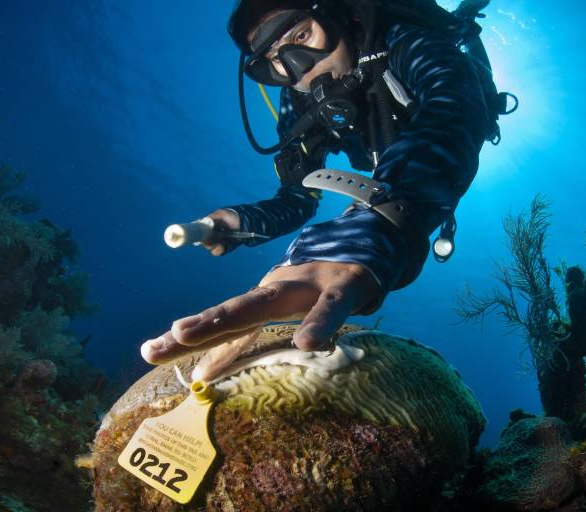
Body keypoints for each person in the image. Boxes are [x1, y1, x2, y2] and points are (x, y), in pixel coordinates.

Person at [140, 0, 492, 380]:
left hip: (436, 123)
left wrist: (383, 221)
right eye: (276, 60)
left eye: (302, 36)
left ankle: (465, 15)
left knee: (460, 35)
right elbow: (298, 198)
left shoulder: (402, 40)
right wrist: (242, 220)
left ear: (336, 16)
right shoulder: (298, 100)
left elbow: (454, 107)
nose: (298, 66)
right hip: (391, 169)